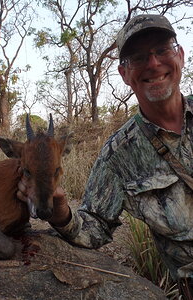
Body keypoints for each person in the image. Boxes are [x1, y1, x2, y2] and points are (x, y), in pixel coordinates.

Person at [17, 14, 193, 299]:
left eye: (162, 50)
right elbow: (94, 228)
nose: (153, 63)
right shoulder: (118, 154)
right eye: (137, 57)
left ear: (181, 56)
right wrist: (60, 209)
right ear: (124, 74)